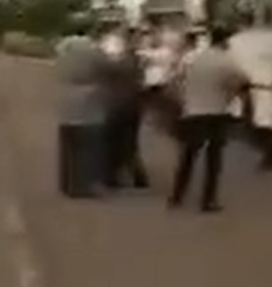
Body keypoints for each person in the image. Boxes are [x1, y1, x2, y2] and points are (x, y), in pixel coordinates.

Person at [166, 26, 248, 213]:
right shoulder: (226, 61)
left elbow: (179, 81)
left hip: (192, 112)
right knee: (213, 160)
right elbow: (240, 82)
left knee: (188, 157)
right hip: (215, 113)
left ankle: (177, 196)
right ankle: (208, 200)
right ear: (226, 41)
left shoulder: (196, 59)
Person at [53, 16, 112, 198]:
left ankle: (67, 184)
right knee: (88, 147)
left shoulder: (61, 46)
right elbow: (105, 68)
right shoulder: (92, 48)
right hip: (88, 97)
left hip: (65, 95)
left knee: (68, 146)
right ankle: (84, 186)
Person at [99, 25, 150, 189]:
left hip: (116, 105)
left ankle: (112, 177)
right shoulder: (138, 62)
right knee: (130, 143)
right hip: (133, 105)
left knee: (113, 142)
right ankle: (138, 176)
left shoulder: (119, 63)